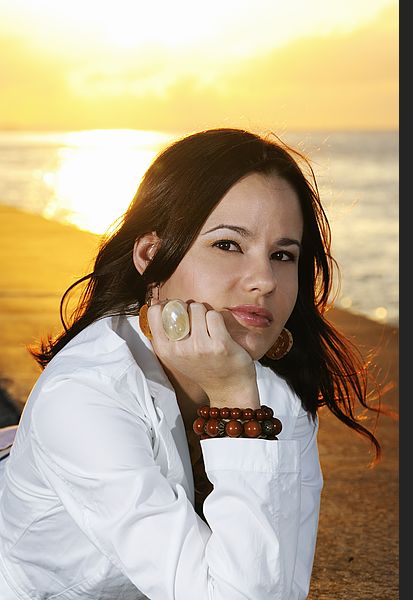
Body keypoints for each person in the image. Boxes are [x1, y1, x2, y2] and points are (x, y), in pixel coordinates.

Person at [0, 128, 379, 599]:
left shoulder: (274, 392)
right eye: (228, 245)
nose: (264, 280)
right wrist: (237, 405)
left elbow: (276, 589)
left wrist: (238, 396)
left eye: (283, 255)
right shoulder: (83, 396)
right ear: (151, 254)